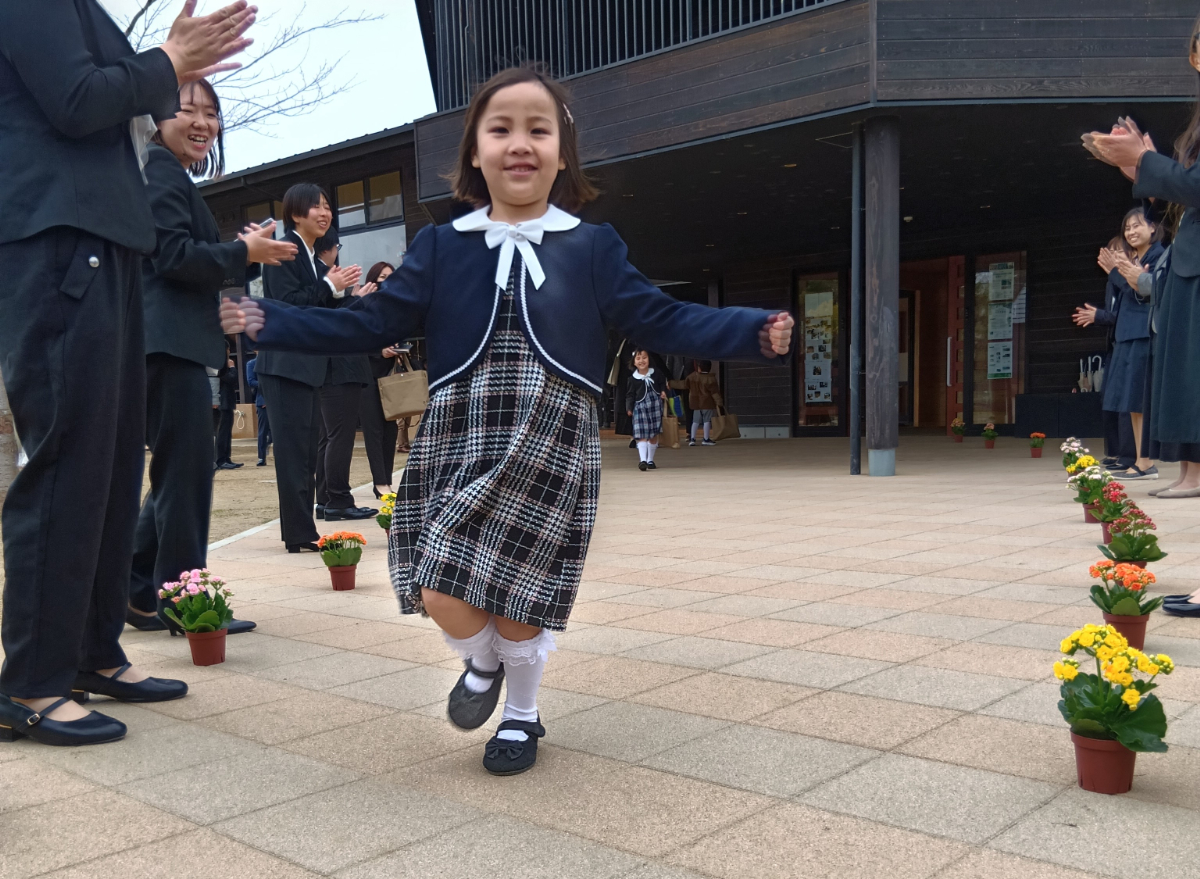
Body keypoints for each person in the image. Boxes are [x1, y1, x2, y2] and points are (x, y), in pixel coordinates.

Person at [222, 66, 794, 775]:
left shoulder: (593, 246)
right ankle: (484, 664)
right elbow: (371, 321)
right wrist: (270, 318)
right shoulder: (442, 244)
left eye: (538, 128)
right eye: (501, 128)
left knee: (523, 591)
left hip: (553, 429)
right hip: (462, 424)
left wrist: (748, 330)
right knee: (440, 581)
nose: (519, 143)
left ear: (561, 153)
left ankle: (521, 715)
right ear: (474, 152)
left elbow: (662, 316)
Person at [0, 0, 255, 746]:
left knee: (113, 468)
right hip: (57, 235)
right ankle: (32, 683)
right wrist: (168, 61)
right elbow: (76, 101)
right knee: (70, 458)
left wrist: (161, 64)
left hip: (103, 240)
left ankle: (93, 650)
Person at [128, 78, 288, 637]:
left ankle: (138, 589)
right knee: (187, 476)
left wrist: (242, 255)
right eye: (187, 110)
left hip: (170, 343)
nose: (202, 122)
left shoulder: (165, 172)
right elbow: (171, 256)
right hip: (166, 344)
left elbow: (187, 258)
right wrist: (244, 252)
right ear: (155, 117)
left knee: (179, 473)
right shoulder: (160, 170)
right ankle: (185, 604)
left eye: (212, 114)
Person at [1086, 32, 1200, 500]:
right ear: (1193, 55)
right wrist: (1143, 169)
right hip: (1190, 263)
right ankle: (1192, 473)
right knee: (1185, 373)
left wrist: (1147, 161)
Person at [253, 184, 363, 552]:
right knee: (292, 452)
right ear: (295, 213)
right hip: (284, 365)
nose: (324, 212)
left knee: (305, 452)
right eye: (315, 206)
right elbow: (288, 305)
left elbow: (321, 314)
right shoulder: (285, 251)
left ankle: (303, 530)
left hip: (307, 367)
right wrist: (329, 284)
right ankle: (299, 532)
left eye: (327, 206)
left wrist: (351, 299)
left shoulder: (314, 259)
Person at [1072, 210, 1164, 478]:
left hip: (1142, 334)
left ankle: (1145, 462)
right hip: (1126, 335)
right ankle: (1139, 460)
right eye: (1127, 228)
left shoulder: (1157, 256)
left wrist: (1116, 273)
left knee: (1138, 401)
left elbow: (1141, 295)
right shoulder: (1139, 258)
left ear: (1153, 228)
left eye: (1137, 226)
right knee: (1131, 403)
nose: (1131, 232)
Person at [312, 230, 376, 521]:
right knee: (339, 437)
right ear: (332, 248)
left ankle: (326, 499)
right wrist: (358, 300)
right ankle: (338, 500)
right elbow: (334, 321)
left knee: (329, 436)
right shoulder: (321, 277)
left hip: (329, 368)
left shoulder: (317, 276)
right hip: (340, 367)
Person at [359, 261, 401, 497]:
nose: (387, 281)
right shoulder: (364, 305)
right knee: (373, 430)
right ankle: (380, 482)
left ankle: (387, 479)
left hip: (390, 375)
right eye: (382, 277)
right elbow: (357, 341)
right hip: (367, 375)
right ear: (373, 279)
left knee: (390, 430)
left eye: (391, 277)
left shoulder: (395, 307)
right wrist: (379, 351)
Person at [626, 349, 667, 470]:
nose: (641, 361)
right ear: (634, 362)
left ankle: (650, 460)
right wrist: (629, 408)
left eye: (644, 358)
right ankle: (642, 460)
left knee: (653, 434)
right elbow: (630, 395)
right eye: (638, 358)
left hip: (655, 406)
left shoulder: (656, 373)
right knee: (641, 434)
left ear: (649, 360)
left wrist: (663, 391)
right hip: (640, 408)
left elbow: (662, 383)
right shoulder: (632, 379)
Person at [672, 359, 720, 446]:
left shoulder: (692, 377)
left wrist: (671, 383)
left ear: (699, 368)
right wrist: (719, 403)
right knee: (706, 421)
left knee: (695, 421)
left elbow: (683, 384)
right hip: (707, 403)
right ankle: (706, 439)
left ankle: (692, 439)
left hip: (696, 403)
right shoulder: (711, 378)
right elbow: (715, 393)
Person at [214, 344, 243, 469]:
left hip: (228, 401)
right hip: (222, 402)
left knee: (227, 433)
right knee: (222, 433)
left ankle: (227, 458)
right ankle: (220, 460)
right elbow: (232, 379)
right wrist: (232, 367)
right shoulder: (218, 364)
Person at [246, 351, 271, 465]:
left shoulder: (272, 363)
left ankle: (268, 443)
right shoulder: (252, 364)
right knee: (263, 429)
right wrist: (266, 384)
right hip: (262, 400)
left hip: (276, 400)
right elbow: (251, 381)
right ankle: (261, 457)